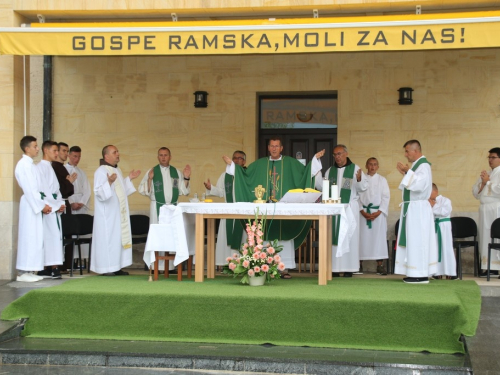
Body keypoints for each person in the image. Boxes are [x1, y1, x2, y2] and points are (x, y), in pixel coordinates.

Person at [223, 138, 325, 278]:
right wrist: (233, 166)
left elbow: (305, 172)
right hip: (266, 207)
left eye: (277, 146)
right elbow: (245, 175)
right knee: (264, 233)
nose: (274, 148)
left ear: (281, 148)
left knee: (283, 235)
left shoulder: (291, 163)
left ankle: (284, 268)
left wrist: (314, 160)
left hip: (284, 208)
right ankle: (263, 267)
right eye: (272, 146)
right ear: (268, 148)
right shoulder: (260, 164)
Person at [317, 145, 368, 277]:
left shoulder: (355, 169)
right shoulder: (330, 171)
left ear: (346, 154)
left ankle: (348, 268)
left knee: (349, 236)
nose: (337, 157)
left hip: (349, 208)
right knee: (334, 237)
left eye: (339, 154)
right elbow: (322, 187)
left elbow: (363, 187)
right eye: (335, 155)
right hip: (334, 209)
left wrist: (359, 179)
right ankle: (334, 268)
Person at [91, 145, 141, 276]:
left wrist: (129, 179)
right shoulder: (101, 171)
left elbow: (121, 190)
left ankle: (116, 266)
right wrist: (108, 182)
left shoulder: (116, 170)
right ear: (106, 156)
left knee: (117, 240)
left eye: (118, 151)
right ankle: (106, 268)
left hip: (117, 214)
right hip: (107, 215)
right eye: (115, 152)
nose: (118, 154)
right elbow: (99, 192)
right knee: (109, 240)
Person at [138, 147, 191, 272]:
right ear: (157, 157)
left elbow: (184, 190)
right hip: (157, 206)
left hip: (172, 207)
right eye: (161, 155)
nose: (163, 157)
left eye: (165, 155)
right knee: (158, 235)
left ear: (170, 156)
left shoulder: (176, 172)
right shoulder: (152, 171)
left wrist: (187, 178)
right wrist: (150, 179)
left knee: (172, 234)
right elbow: (142, 189)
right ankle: (155, 264)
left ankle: (172, 265)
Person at [395, 140, 438, 284]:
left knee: (418, 240)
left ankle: (420, 273)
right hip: (413, 208)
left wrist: (407, 172)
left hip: (418, 209)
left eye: (407, 151)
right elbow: (413, 184)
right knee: (413, 240)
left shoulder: (424, 165)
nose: (405, 154)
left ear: (416, 150)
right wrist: (406, 173)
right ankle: (414, 271)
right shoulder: (417, 165)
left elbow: (420, 185)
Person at [14, 136, 50, 282]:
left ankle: (29, 269)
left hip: (34, 204)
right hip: (30, 205)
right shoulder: (24, 165)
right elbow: (30, 189)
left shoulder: (31, 165)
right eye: (35, 146)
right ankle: (22, 272)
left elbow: (38, 188)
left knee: (35, 237)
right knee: (28, 236)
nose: (37, 149)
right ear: (27, 148)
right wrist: (41, 206)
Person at [204, 151, 247, 266]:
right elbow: (220, 191)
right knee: (226, 237)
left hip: (242, 212)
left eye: (240, 158)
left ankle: (242, 263)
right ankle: (227, 264)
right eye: (235, 158)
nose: (237, 160)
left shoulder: (246, 174)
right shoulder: (225, 175)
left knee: (242, 238)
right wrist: (211, 188)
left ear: (244, 161)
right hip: (228, 210)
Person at [36, 141, 66, 279]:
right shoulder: (39, 168)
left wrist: (61, 203)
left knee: (55, 237)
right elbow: (42, 191)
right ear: (46, 150)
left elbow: (56, 190)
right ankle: (50, 267)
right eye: (54, 151)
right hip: (47, 209)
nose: (57, 153)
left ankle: (51, 266)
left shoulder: (50, 168)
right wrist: (54, 205)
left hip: (54, 207)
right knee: (49, 237)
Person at [358, 157, 390, 276]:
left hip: (377, 214)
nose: (372, 166)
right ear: (366, 166)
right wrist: (362, 211)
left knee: (378, 239)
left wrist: (379, 211)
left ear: (378, 166)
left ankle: (380, 265)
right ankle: (359, 264)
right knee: (362, 238)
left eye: (375, 164)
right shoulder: (361, 179)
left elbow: (386, 197)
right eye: (370, 164)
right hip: (363, 213)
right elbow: (357, 196)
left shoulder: (382, 180)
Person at [472, 147, 500, 277]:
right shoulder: (488, 173)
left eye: (493, 157)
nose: (490, 160)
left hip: (496, 208)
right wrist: (483, 184)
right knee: (485, 236)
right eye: (489, 157)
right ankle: (488, 266)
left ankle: (497, 265)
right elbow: (476, 193)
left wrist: (487, 182)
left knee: (495, 237)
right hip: (484, 209)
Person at [52, 141, 77, 271]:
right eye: (63, 151)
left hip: (64, 202)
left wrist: (69, 183)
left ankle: (66, 265)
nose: (66, 154)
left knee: (68, 233)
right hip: (58, 203)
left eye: (67, 151)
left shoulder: (61, 167)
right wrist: (69, 182)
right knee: (60, 234)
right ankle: (58, 265)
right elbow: (59, 189)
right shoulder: (54, 167)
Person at [65, 146, 92, 264]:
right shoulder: (64, 170)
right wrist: (71, 203)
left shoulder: (82, 172)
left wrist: (81, 202)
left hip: (80, 204)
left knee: (80, 232)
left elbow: (87, 190)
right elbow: (63, 189)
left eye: (79, 157)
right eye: (75, 156)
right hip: (70, 203)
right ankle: (69, 260)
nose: (77, 159)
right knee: (71, 231)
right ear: (69, 155)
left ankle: (79, 260)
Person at [429, 183, 457, 279]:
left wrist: (433, 207)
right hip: (433, 226)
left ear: (435, 191)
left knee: (446, 247)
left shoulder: (445, 200)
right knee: (435, 249)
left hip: (444, 226)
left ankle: (451, 272)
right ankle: (437, 273)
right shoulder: (426, 201)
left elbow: (445, 211)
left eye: (429, 191)